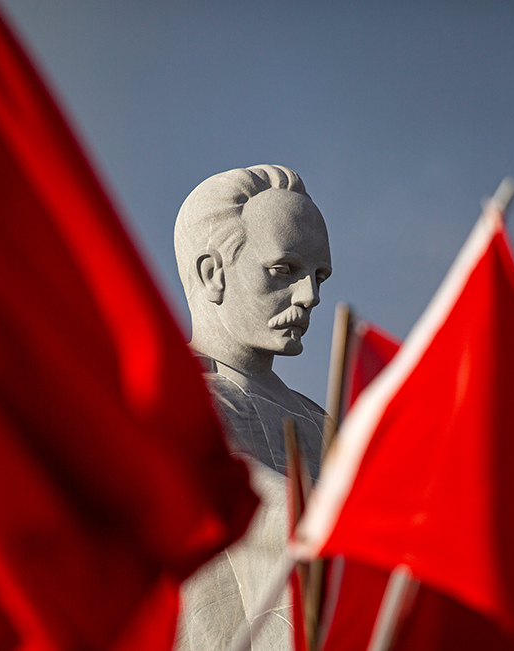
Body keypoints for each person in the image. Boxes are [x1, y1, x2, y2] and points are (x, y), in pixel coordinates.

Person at [173, 164, 332, 651]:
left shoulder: (325, 424)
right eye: (284, 270)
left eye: (318, 276)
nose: (310, 297)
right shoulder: (173, 404)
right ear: (212, 273)